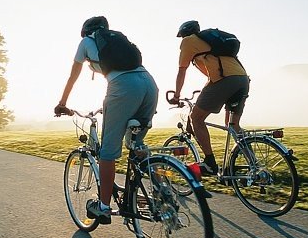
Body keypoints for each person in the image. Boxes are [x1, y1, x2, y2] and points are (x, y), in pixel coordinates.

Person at [55, 16, 158, 224]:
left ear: (85, 31)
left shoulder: (86, 42)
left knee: (108, 153)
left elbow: (73, 76)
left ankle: (103, 207)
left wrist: (62, 103)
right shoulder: (118, 41)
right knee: (136, 145)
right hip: (149, 84)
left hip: (123, 87)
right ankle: (161, 191)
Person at [168, 20, 250, 178]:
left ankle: (210, 164)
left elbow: (181, 71)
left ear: (184, 34)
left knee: (196, 118)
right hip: (243, 80)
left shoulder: (188, 41)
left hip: (226, 80)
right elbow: (212, 75)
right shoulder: (210, 45)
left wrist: (176, 95)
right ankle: (253, 165)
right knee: (233, 125)